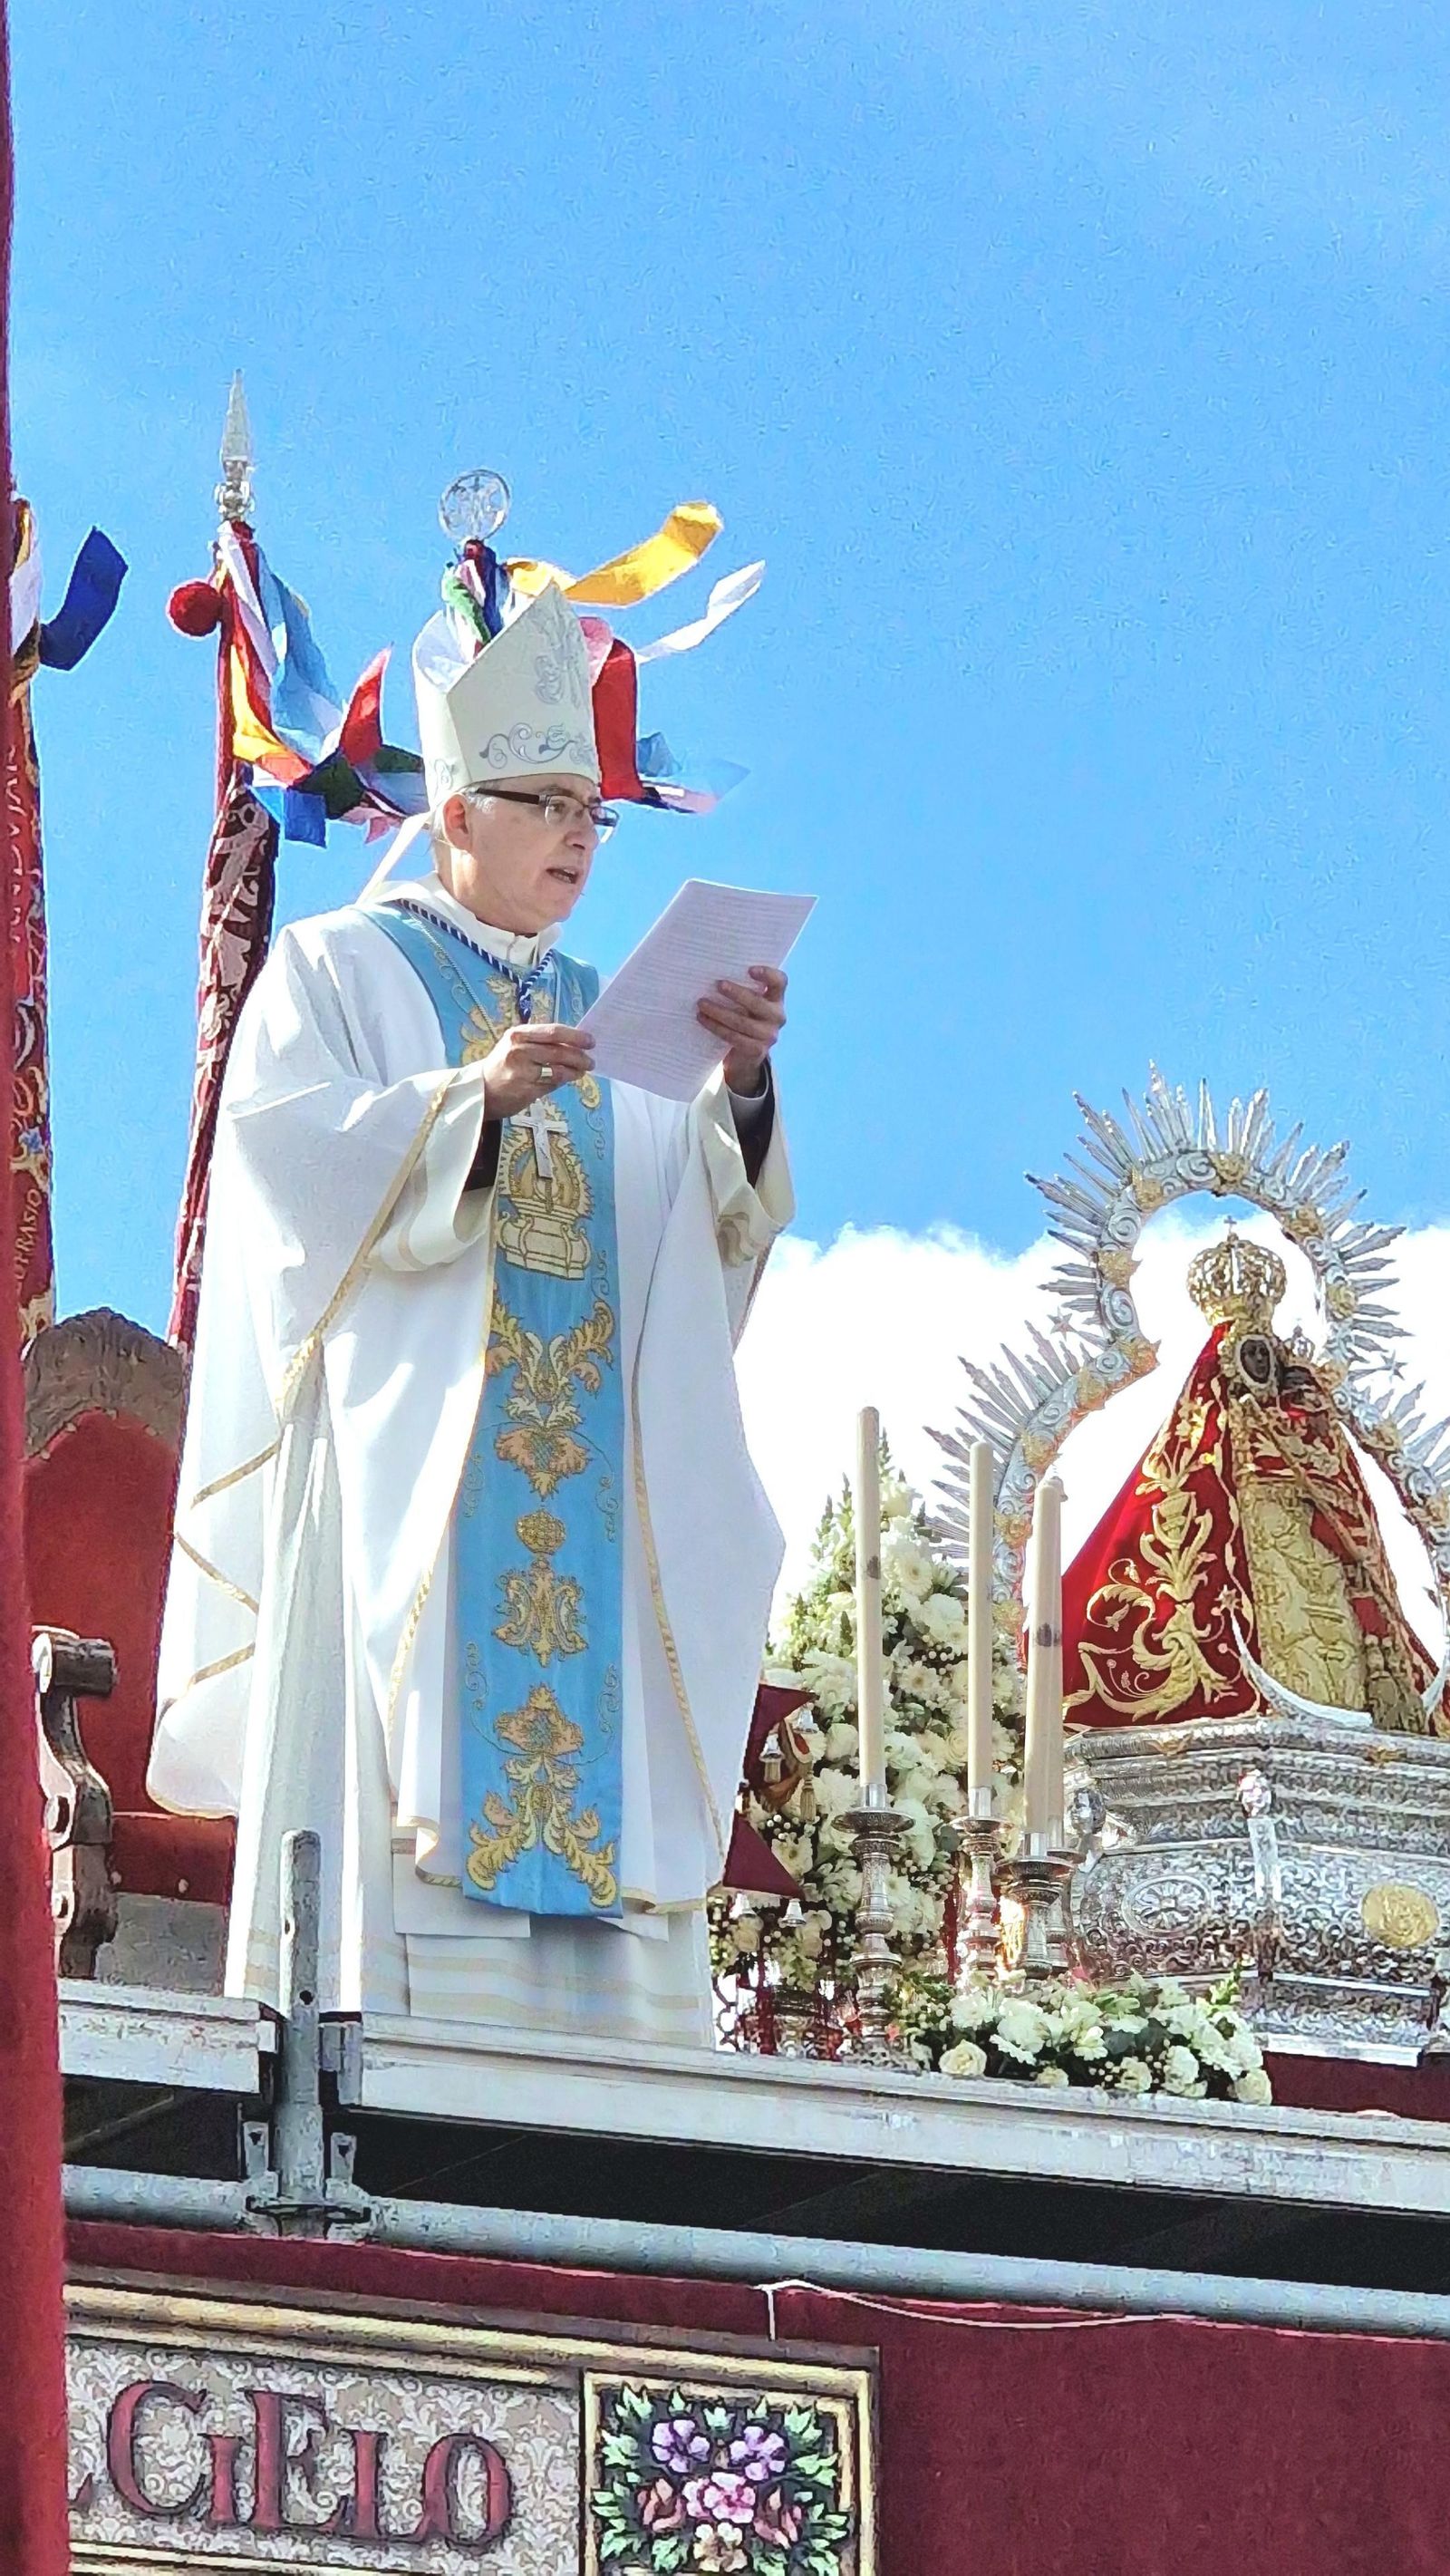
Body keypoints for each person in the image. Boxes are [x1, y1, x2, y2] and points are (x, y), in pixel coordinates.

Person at [150, 529, 793, 2047]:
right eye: (547, 805)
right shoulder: (340, 972)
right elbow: (284, 1175)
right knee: (400, 1957)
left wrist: (742, 1093)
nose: (579, 838)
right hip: (413, 1506)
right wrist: (469, 1110)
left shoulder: (620, 1013)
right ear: (453, 809)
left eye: (593, 812)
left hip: (594, 1522)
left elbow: (701, 1249)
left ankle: (618, 2080)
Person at [1061, 1232, 1438, 1733]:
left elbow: (1351, 1503)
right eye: (1251, 1357)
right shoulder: (1207, 1426)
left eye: (1266, 1356)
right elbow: (1189, 1491)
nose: (1261, 1367)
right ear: (1230, 1362)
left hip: (1318, 1547)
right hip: (1253, 1545)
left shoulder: (1311, 1419)